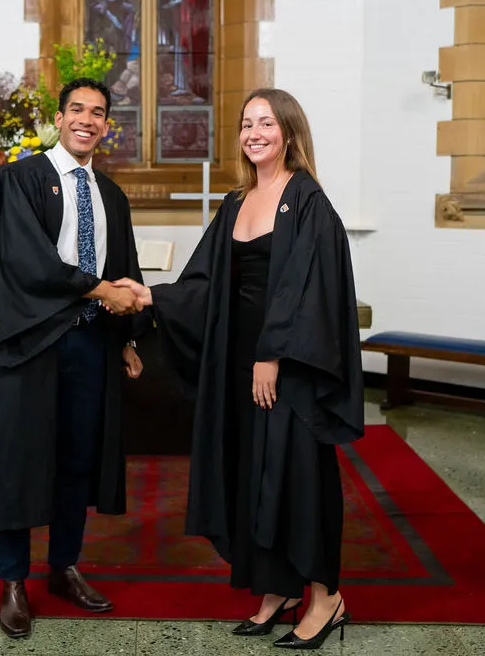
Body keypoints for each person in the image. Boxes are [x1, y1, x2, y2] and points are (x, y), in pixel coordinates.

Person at [115, 88, 364, 649]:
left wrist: (270, 356)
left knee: (296, 475)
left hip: (290, 364)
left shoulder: (307, 201)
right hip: (236, 363)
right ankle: (275, 588)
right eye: (247, 123)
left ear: (289, 132)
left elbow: (306, 291)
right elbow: (206, 282)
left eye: (266, 123)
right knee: (252, 470)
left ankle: (326, 597)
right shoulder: (236, 201)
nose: (254, 133)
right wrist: (152, 296)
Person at [0, 77, 147, 639]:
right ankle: (13, 581)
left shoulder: (111, 195)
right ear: (58, 117)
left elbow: (124, 266)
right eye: (77, 109)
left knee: (77, 459)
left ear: (106, 125)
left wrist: (127, 338)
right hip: (29, 343)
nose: (86, 120)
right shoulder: (15, 180)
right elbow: (25, 262)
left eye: (97, 113)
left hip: (90, 343)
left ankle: (64, 566)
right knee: (21, 461)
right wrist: (100, 290)